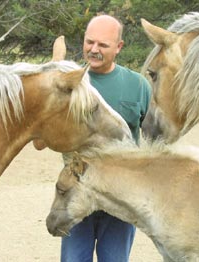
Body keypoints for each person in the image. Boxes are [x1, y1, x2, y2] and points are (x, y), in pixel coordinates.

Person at [61, 14, 151, 262]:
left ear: (119, 47)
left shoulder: (138, 85)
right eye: (89, 42)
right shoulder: (68, 84)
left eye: (103, 45)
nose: (94, 49)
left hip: (121, 200)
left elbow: (157, 141)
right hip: (78, 194)